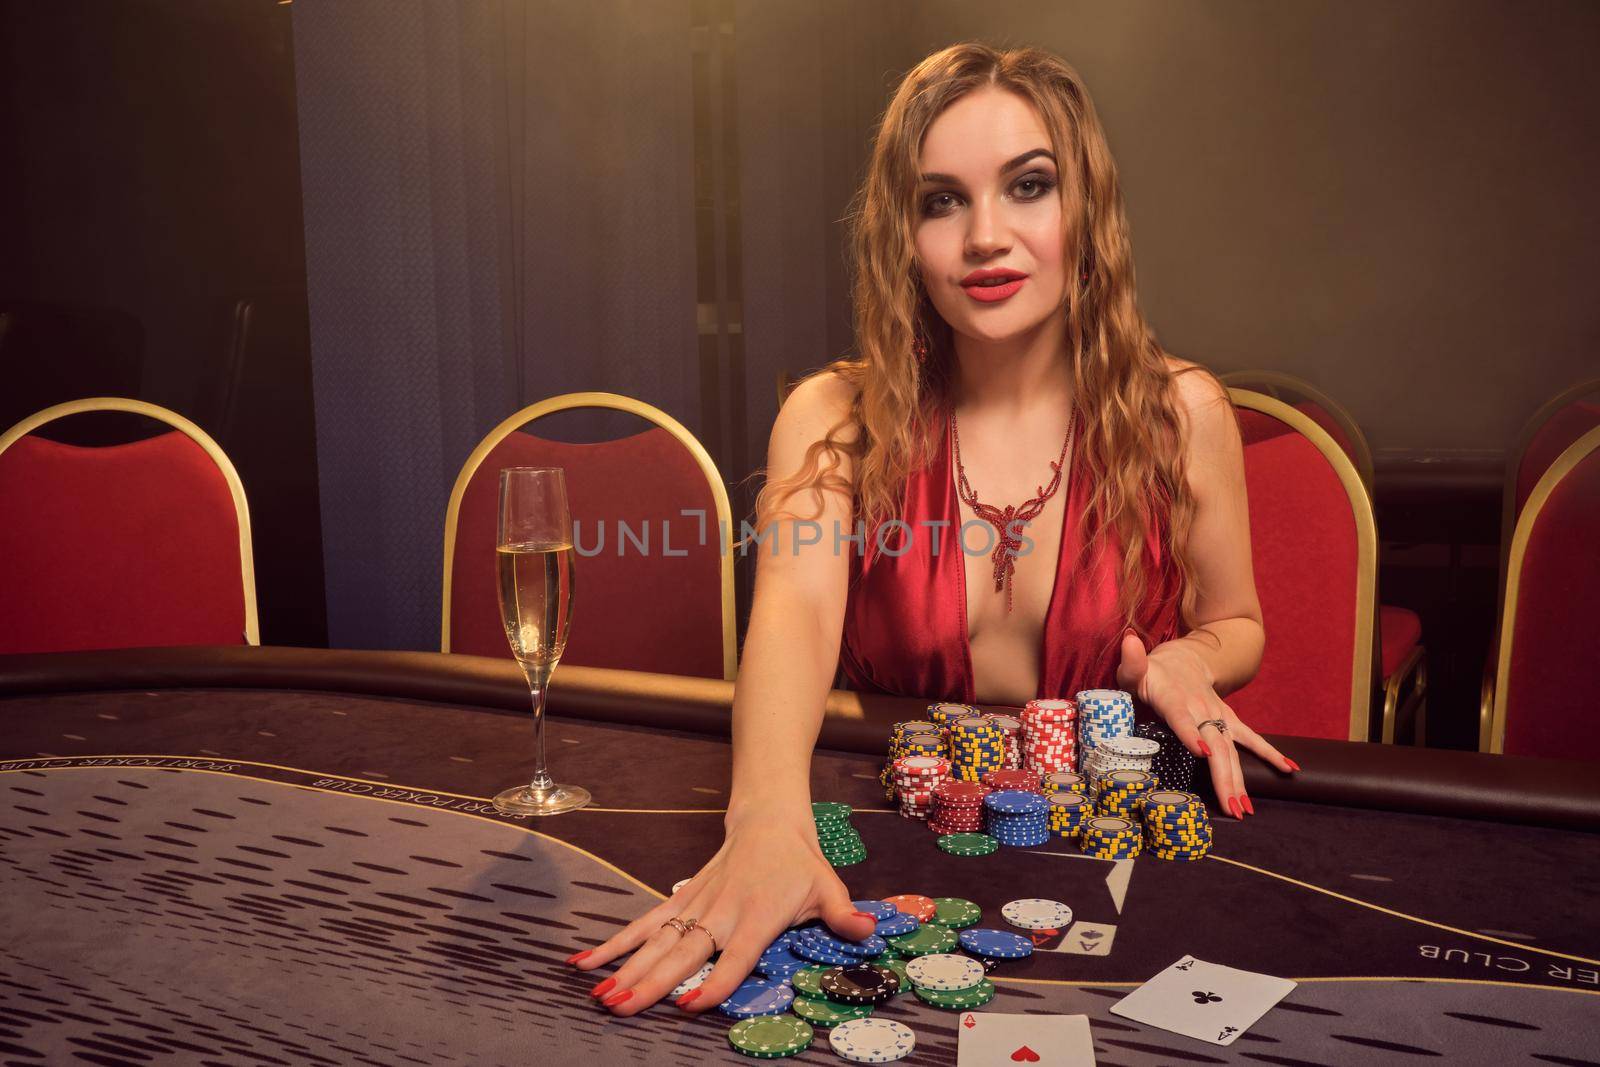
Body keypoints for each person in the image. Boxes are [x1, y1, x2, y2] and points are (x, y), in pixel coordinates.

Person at [570, 41, 1297, 1017]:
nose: (984, 234)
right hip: (893, 838)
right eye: (941, 199)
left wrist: (1192, 656)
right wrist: (767, 821)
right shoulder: (834, 416)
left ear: (1085, 210)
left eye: (1027, 186)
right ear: (901, 234)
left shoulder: (1181, 413)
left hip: (1113, 852)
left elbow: (1239, 619)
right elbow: (790, 616)